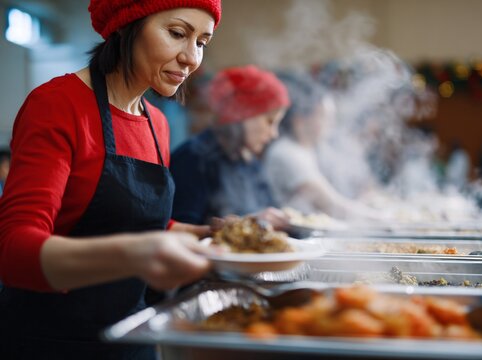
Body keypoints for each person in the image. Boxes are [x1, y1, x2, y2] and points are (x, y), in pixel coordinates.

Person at [0, 1, 221, 359]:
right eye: (178, 34)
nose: (191, 58)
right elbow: (13, 253)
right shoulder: (57, 105)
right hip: (52, 341)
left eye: (202, 42)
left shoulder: (156, 124)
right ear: (128, 23)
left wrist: (207, 236)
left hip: (131, 337)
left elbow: (139, 222)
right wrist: (138, 254)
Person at [170, 65, 290, 228]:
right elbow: (181, 228)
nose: (274, 133)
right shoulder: (195, 157)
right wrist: (253, 222)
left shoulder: (249, 161)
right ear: (241, 114)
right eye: (270, 122)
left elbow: (271, 209)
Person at [264, 73, 382, 221]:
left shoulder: (315, 150)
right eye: (323, 117)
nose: (331, 124)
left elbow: (349, 184)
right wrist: (384, 219)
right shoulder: (285, 153)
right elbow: (328, 203)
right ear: (299, 120)